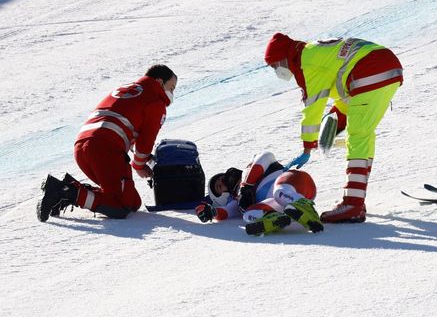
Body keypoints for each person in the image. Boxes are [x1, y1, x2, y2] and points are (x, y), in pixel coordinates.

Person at [264, 33, 403, 223]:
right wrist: (336, 119)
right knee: (363, 136)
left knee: (358, 137)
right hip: (385, 67)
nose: (276, 70)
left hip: (370, 71)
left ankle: (352, 204)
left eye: (275, 65)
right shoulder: (311, 52)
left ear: (283, 58)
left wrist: (308, 146)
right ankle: (356, 200)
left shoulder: (306, 64)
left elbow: (313, 106)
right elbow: (343, 82)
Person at [37, 64, 177, 221]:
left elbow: (121, 123)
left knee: (133, 201)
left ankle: (67, 189)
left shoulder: (126, 89)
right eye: (171, 88)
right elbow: (146, 142)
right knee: (121, 205)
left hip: (82, 147)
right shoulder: (155, 102)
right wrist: (139, 165)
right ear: (159, 82)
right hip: (105, 150)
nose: (171, 94)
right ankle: (65, 192)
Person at [194, 151, 322, 235]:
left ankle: (304, 208)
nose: (222, 180)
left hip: (295, 181)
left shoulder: (248, 171)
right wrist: (211, 212)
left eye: (221, 177)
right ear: (222, 197)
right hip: (283, 203)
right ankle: (280, 218)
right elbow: (225, 212)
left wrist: (246, 187)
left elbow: (266, 156)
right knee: (248, 215)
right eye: (218, 186)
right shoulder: (238, 202)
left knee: (279, 193)